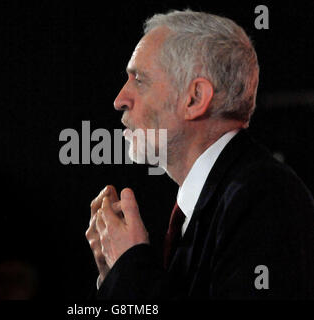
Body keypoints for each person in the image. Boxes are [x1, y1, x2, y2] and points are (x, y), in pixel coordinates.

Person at [85, 9, 314, 299]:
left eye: (139, 80)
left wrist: (130, 268)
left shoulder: (265, 195)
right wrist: (115, 277)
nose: (120, 100)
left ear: (194, 99)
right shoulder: (224, 197)